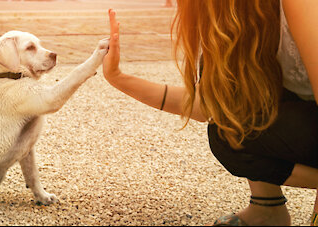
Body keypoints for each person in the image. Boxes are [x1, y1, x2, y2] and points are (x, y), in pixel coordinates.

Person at [102, 0, 318, 225]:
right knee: (228, 134)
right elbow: (211, 107)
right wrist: (118, 78)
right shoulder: (228, 15)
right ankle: (267, 210)